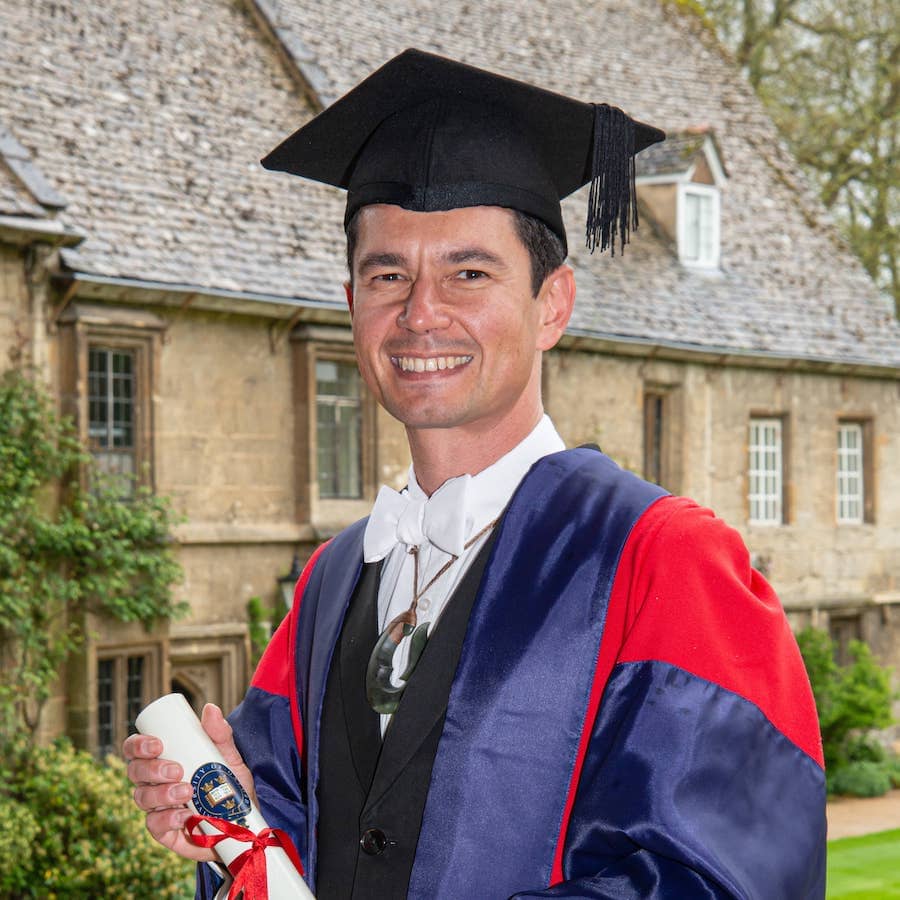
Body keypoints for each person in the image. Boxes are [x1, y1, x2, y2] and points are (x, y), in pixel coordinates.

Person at [125, 49, 826, 899]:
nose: (421, 313)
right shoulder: (333, 580)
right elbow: (295, 865)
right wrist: (235, 835)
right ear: (353, 305)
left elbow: (721, 882)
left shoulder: (665, 563)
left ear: (553, 304)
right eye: (388, 274)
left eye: (469, 272)